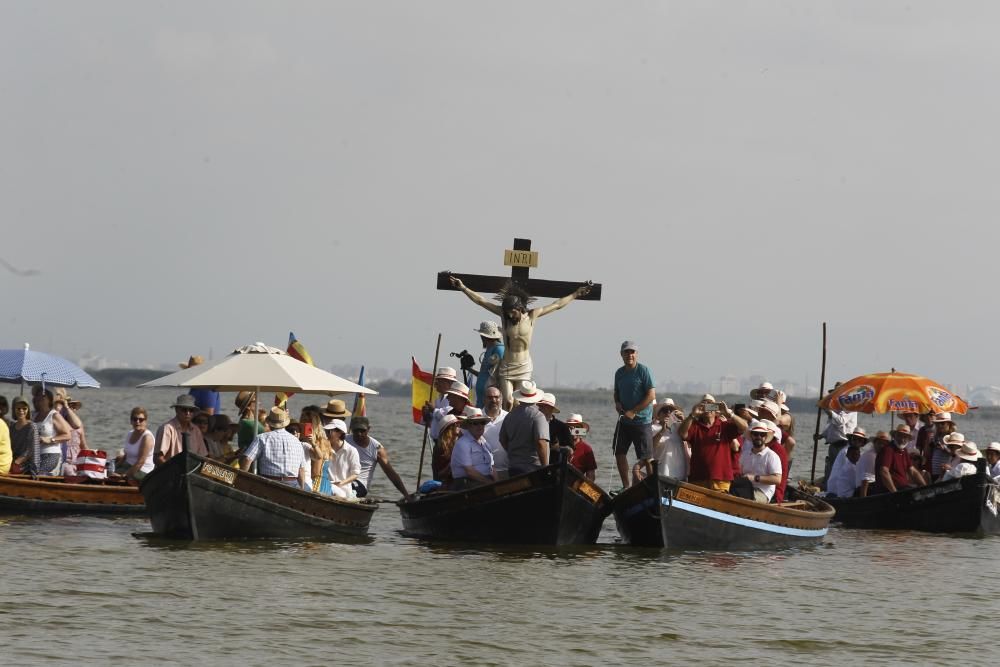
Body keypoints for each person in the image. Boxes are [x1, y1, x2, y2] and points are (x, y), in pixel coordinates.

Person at [449, 275, 592, 409]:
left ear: (519, 308)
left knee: (518, 403)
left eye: (512, 312)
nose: (510, 315)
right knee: (508, 401)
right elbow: (481, 301)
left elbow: (557, 305)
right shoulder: (504, 317)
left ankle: (513, 432)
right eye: (507, 312)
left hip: (523, 366)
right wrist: (463, 288)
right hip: (507, 365)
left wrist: (575, 294)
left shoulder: (532, 316)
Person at [678, 397, 747, 492]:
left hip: (721, 480)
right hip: (698, 478)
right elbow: (682, 434)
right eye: (704, 405)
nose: (708, 408)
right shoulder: (695, 426)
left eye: (711, 405)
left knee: (719, 505)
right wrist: (692, 415)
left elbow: (744, 427)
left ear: (716, 409)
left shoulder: (724, 425)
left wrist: (730, 413)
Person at [612, 341, 656, 488]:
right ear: (621, 354)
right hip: (624, 421)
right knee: (618, 452)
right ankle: (626, 486)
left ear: (636, 354)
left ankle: (652, 487)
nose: (629, 355)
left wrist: (634, 411)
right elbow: (616, 393)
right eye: (626, 352)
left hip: (642, 422)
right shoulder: (619, 373)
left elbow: (651, 395)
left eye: (632, 352)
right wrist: (617, 403)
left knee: (647, 457)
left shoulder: (644, 371)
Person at [239, 407, 310, 489]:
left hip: (269, 484)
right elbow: (301, 470)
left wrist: (241, 479)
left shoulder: (262, 438)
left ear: (269, 423)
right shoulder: (297, 441)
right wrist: (301, 488)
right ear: (285, 423)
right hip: (292, 485)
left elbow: (247, 459)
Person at [346, 416, 410, 498]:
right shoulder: (344, 439)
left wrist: (406, 495)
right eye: (356, 430)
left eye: (362, 431)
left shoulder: (377, 449)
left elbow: (391, 474)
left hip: (360, 485)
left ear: (368, 429)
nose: (359, 434)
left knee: (346, 490)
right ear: (351, 429)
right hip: (342, 480)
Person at [499, 381, 550, 476]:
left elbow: (502, 439)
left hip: (514, 467)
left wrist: (513, 453)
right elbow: (541, 443)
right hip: (533, 469)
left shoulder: (510, 415)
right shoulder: (538, 416)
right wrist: (545, 468)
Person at [816, 386, 858, 484]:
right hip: (833, 445)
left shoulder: (850, 408)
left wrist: (827, 410)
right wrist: (821, 435)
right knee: (831, 470)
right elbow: (831, 427)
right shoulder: (836, 409)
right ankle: (829, 489)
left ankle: (841, 492)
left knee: (842, 471)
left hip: (843, 445)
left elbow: (840, 421)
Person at [153, 394, 208, 466]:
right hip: (169, 473)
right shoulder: (167, 428)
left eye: (191, 410)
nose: (187, 413)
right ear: (176, 410)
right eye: (184, 409)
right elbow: (157, 458)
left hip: (191, 472)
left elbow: (202, 457)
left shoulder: (196, 430)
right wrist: (173, 470)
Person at [738, 421, 783, 503]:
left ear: (765, 437)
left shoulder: (772, 456)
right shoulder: (744, 454)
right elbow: (739, 472)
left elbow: (777, 479)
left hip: (762, 492)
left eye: (762, 434)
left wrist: (754, 478)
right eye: (756, 434)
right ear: (751, 436)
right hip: (744, 488)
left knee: (741, 495)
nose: (758, 437)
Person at [871, 424, 924, 494]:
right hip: (888, 493)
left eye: (905, 437)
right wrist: (895, 493)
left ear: (908, 439)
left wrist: (925, 486)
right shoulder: (888, 450)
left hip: (902, 489)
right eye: (900, 435)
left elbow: (912, 470)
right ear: (895, 436)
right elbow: (884, 471)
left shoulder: (904, 451)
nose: (902, 439)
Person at [451, 408, 496, 488]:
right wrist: (490, 484)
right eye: (475, 423)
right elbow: (469, 471)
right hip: (467, 484)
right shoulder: (462, 443)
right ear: (468, 426)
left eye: (482, 423)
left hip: (484, 483)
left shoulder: (485, 443)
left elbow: (492, 468)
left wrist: (499, 485)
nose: (479, 426)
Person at [32, 389, 71, 476]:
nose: (39, 397)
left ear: (49, 399)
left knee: (38, 475)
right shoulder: (33, 415)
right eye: (37, 395)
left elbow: (67, 435)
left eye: (43, 396)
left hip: (51, 454)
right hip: (34, 455)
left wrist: (50, 440)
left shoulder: (54, 415)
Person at [647, 400, 688, 481]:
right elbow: (650, 448)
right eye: (665, 410)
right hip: (662, 472)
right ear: (658, 414)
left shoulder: (679, 427)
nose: (668, 413)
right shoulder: (652, 428)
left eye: (671, 411)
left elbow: (689, 436)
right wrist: (662, 431)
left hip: (679, 473)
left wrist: (684, 420)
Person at [321, 419, 360, 499]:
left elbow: (355, 474)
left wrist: (340, 483)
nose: (326, 435)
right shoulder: (323, 448)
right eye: (326, 431)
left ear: (340, 433)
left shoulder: (351, 451)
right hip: (327, 487)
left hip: (344, 491)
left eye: (329, 432)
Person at [469, 321, 505, 409]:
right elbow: (485, 374)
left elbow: (499, 376)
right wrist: (470, 369)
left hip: (491, 402)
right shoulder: (490, 349)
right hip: (482, 401)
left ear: (484, 336)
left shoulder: (499, 349)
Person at [116, 407, 155, 481]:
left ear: (145, 422)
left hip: (142, 471)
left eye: (141, 420)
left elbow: (140, 462)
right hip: (128, 466)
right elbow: (126, 455)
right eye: (135, 419)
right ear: (131, 421)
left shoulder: (147, 437)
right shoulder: (130, 434)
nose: (137, 422)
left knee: (113, 475)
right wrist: (115, 467)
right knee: (108, 471)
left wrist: (124, 476)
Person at [826, 431, 865, 498]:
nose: (857, 441)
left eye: (860, 440)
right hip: (837, 490)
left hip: (843, 487)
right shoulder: (847, 452)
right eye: (855, 439)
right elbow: (852, 473)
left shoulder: (856, 453)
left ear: (862, 443)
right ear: (851, 439)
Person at [481, 386, 508, 478]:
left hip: (507, 470)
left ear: (501, 399)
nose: (493, 400)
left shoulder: (509, 418)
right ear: (484, 399)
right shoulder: (477, 419)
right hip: (484, 472)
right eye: (490, 397)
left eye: (496, 397)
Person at [564, 413, 597, 481]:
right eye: (570, 427)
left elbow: (591, 477)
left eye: (577, 427)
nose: (573, 430)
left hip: (576, 486)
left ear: (581, 430)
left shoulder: (587, 449)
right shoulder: (560, 446)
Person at [856, 431, 890, 497]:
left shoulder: (879, 455)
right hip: (865, 488)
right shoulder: (871, 455)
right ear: (874, 443)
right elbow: (865, 479)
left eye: (884, 444)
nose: (881, 446)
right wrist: (863, 499)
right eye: (879, 443)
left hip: (871, 485)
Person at [9, 397, 38, 474]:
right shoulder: (11, 427)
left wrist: (16, 462)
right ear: (14, 409)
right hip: (12, 461)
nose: (21, 411)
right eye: (18, 408)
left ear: (28, 410)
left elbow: (30, 450)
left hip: (27, 465)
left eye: (24, 408)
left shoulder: (32, 426)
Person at [431, 413, 461, 486]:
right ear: (449, 429)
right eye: (455, 424)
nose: (458, 426)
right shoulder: (440, 448)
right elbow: (439, 474)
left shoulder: (458, 443)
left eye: (458, 424)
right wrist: (452, 464)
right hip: (445, 484)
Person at [928, 412, 958, 480]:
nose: (940, 426)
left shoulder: (953, 437)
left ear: (949, 424)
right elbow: (929, 453)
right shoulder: (936, 436)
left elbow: (956, 454)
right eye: (938, 424)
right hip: (935, 469)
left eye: (942, 423)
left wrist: (944, 448)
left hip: (946, 470)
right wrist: (929, 442)